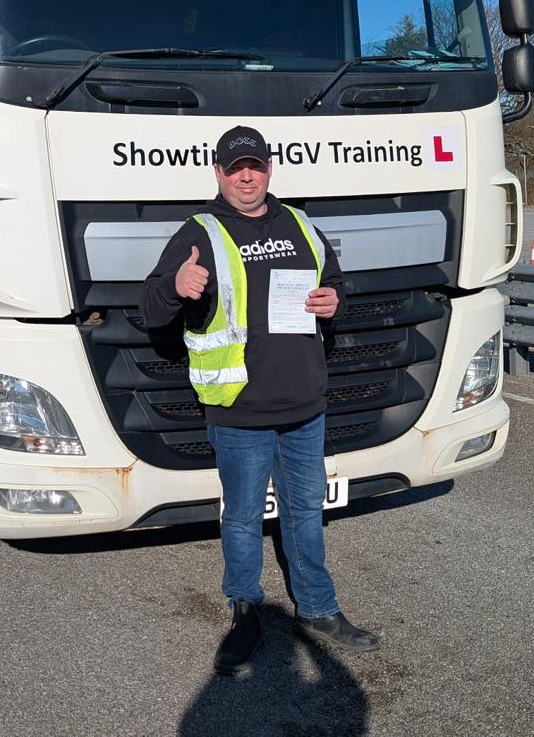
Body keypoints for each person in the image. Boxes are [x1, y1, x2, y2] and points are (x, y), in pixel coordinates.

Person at [142, 125, 379, 676]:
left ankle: (318, 609)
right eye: (234, 167)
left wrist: (332, 302)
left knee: (306, 514)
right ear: (218, 173)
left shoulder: (299, 224)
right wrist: (176, 287)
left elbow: (337, 286)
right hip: (238, 407)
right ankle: (244, 611)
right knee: (244, 519)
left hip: (304, 403)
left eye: (255, 165)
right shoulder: (198, 232)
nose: (246, 176)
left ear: (269, 168)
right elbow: (149, 311)